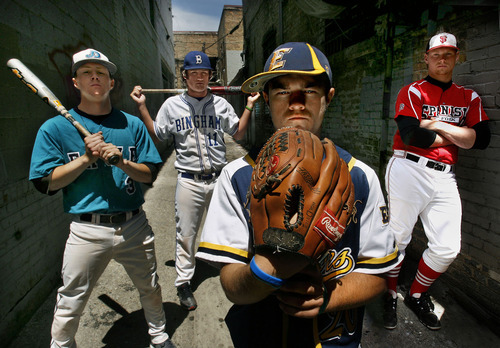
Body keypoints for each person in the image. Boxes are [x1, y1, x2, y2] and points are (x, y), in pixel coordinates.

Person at [195, 42, 401, 347]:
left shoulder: (360, 176)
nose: (295, 102)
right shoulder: (237, 176)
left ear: (328, 98)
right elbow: (232, 286)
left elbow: (377, 275)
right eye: (281, 91)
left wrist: (329, 297)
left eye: (309, 89)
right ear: (265, 99)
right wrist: (273, 267)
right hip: (258, 336)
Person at [29, 49, 175, 348]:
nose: (94, 76)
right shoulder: (54, 129)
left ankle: (159, 336)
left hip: (133, 224)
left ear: (110, 83)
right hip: (87, 230)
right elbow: (45, 184)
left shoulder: (131, 125)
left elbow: (149, 174)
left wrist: (121, 162)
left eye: (101, 72)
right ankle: (62, 345)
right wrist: (85, 158)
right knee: (71, 296)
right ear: (75, 82)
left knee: (150, 286)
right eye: (86, 72)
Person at [130, 51, 260, 311]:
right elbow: (158, 133)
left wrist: (249, 105)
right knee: (186, 234)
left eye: (204, 73)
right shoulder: (171, 106)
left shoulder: (221, 104)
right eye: (194, 73)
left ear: (210, 76)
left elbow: (238, 132)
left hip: (218, 177)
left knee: (232, 227)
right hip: (188, 180)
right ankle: (183, 282)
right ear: (185, 75)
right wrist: (142, 107)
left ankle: (238, 275)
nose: (200, 78)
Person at [382, 32, 490, 331]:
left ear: (457, 57)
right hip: (408, 169)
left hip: (445, 176)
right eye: (436, 54)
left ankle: (417, 293)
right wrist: (459, 135)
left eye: (449, 54)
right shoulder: (413, 91)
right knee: (398, 237)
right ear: (426, 58)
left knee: (447, 247)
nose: (442, 59)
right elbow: (411, 134)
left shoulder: (469, 97)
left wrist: (437, 123)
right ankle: (390, 293)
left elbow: (481, 140)